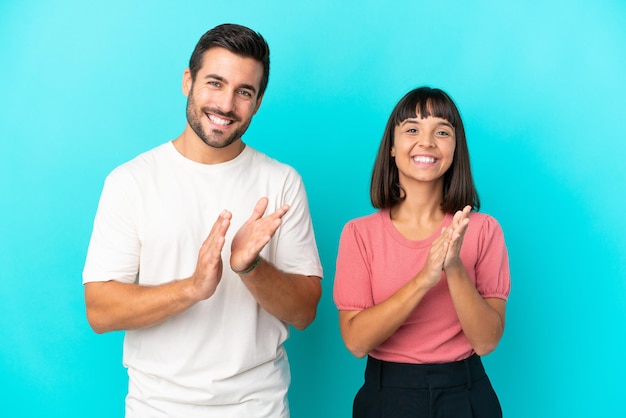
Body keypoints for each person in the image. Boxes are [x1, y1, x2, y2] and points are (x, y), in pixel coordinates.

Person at [83, 23, 323, 418]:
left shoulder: (281, 182)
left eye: (244, 92)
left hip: (258, 407)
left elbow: (304, 313)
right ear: (188, 81)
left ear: (258, 102)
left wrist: (250, 267)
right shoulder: (131, 181)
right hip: (157, 408)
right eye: (215, 83)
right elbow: (100, 310)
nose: (226, 105)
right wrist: (193, 287)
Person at [333, 87, 510, 418]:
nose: (427, 141)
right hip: (387, 396)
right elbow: (356, 342)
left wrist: (453, 266)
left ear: (456, 148)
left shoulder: (485, 230)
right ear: (392, 148)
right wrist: (425, 278)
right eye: (412, 129)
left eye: (442, 131)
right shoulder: (359, 234)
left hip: (466, 394)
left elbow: (486, 342)